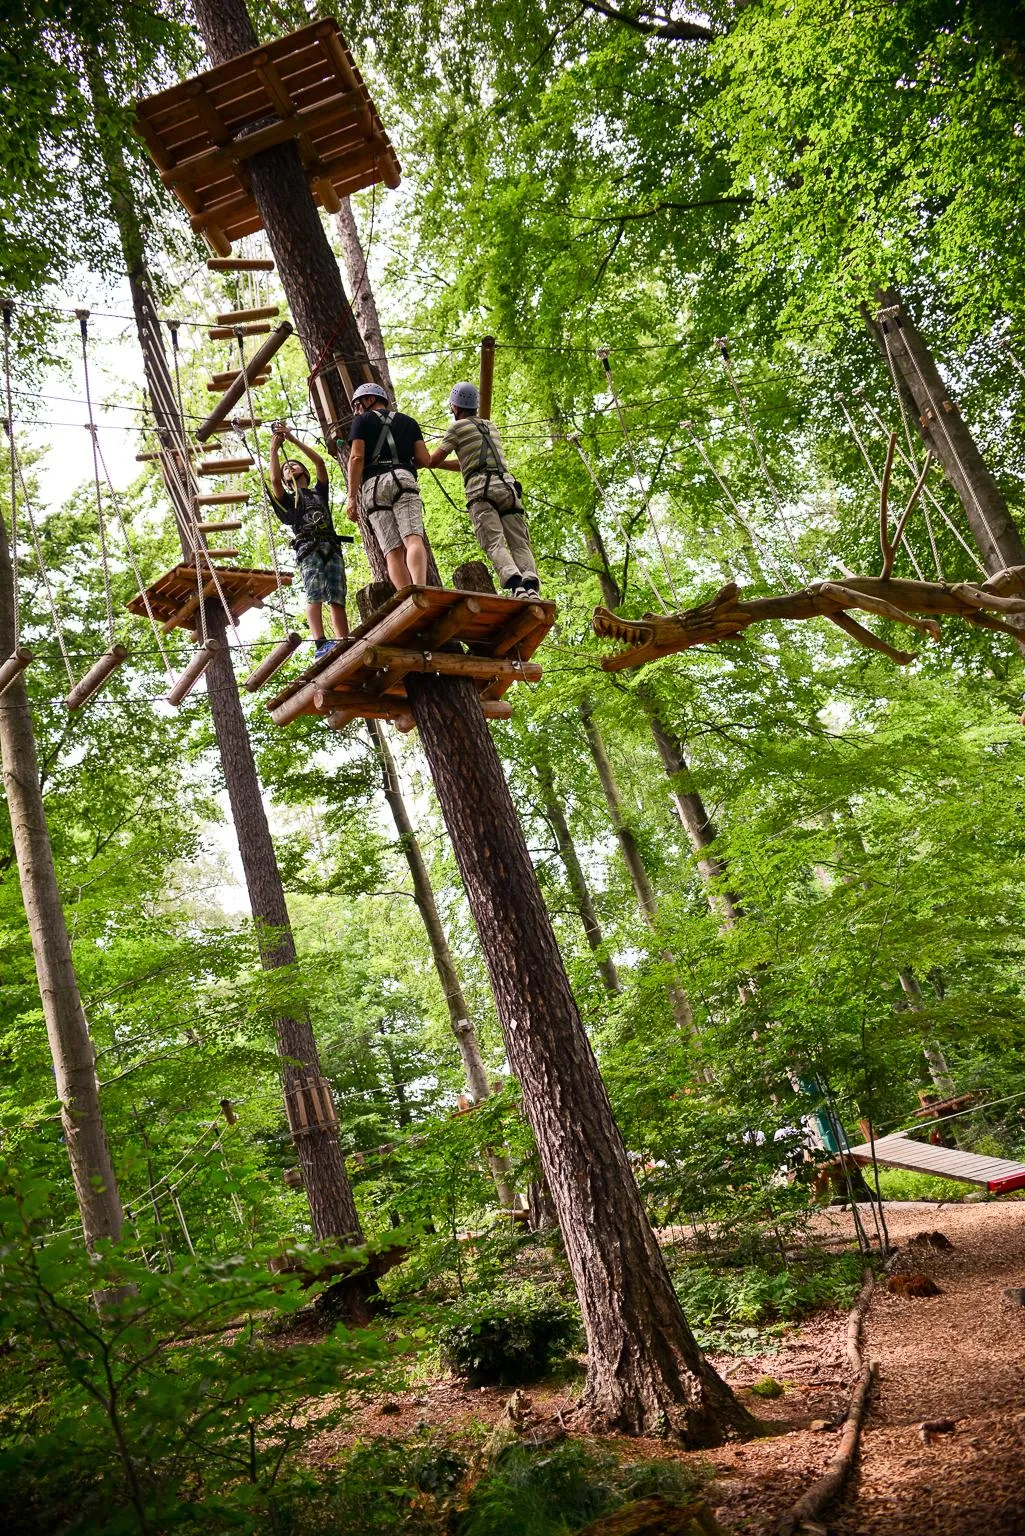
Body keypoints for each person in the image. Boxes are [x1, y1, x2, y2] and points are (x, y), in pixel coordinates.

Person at [427, 382, 540, 599]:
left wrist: (423, 459)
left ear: (455, 406)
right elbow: (466, 463)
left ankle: (516, 586)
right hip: (507, 488)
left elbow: (433, 460)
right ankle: (531, 588)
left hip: (481, 491)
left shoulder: (456, 428)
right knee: (519, 542)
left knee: (494, 542)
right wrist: (440, 464)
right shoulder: (491, 426)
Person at [269, 424, 348, 659]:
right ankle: (320, 642)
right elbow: (273, 481)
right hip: (308, 549)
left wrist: (293, 439)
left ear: (304, 471)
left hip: (331, 547)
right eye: (286, 469)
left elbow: (320, 463)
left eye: (293, 465)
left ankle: (345, 640)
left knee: (337, 595)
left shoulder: (318, 493)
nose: (289, 467)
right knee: (315, 593)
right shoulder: (288, 499)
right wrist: (274, 450)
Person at [346, 381, 430, 590]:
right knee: (413, 538)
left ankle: (407, 596)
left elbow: (356, 457)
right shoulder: (409, 422)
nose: (357, 410)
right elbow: (423, 459)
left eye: (358, 404)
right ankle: (421, 587)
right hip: (403, 478)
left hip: (374, 486)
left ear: (369, 400)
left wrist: (351, 497)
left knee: (392, 550)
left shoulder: (361, 421)